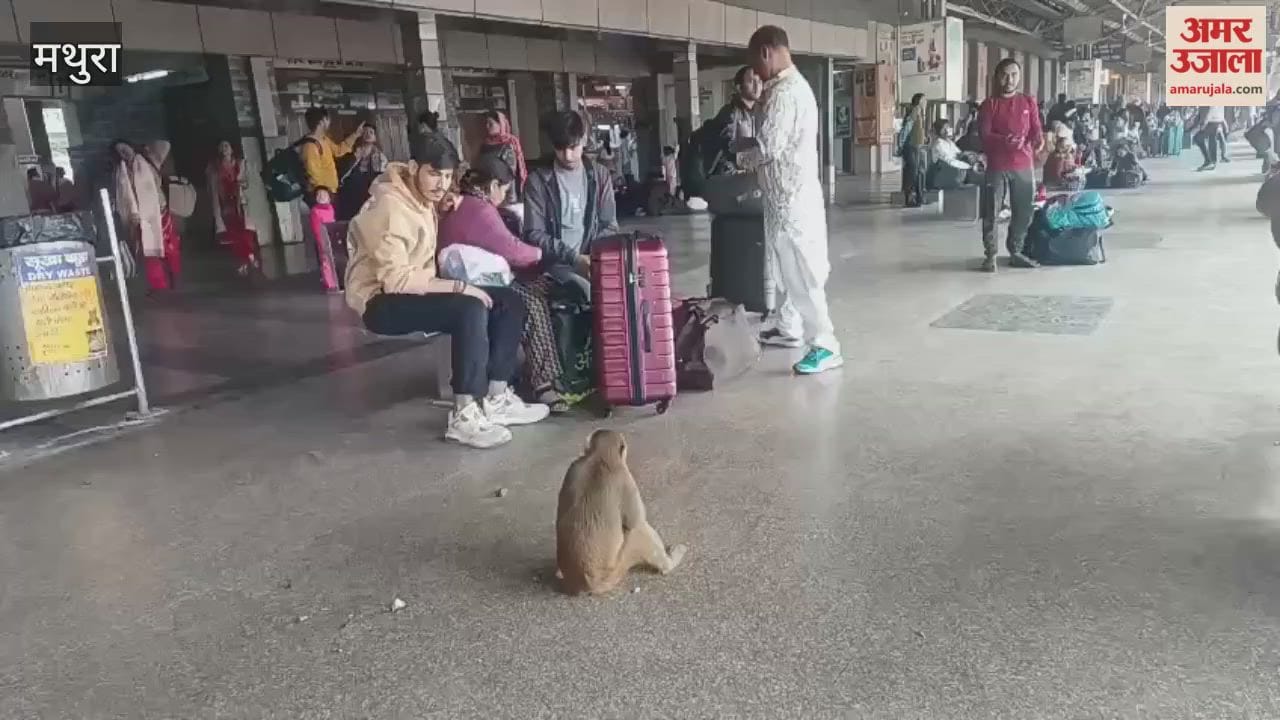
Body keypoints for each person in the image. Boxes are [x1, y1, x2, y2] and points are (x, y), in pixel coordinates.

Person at [345, 136, 549, 449]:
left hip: (416, 287)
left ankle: (496, 398)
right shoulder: (388, 208)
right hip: (380, 300)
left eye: (448, 176)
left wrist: (446, 199)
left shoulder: (422, 193)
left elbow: (430, 205)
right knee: (468, 308)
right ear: (414, 168)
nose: (442, 184)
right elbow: (397, 281)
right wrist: (460, 286)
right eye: (434, 174)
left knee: (507, 300)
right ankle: (464, 414)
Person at [735, 25, 842, 375]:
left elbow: (767, 147)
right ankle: (789, 325)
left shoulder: (785, 93)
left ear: (766, 52)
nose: (755, 71)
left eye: (754, 63)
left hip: (792, 202)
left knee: (801, 273)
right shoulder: (786, 87)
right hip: (786, 198)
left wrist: (738, 156)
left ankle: (825, 344)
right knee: (786, 266)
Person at [438, 156, 575, 413]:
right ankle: (543, 382)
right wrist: (546, 254)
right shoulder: (479, 209)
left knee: (543, 288)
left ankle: (543, 368)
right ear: (492, 186)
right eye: (504, 189)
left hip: (471, 278)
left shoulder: (465, 203)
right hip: (474, 283)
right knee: (531, 301)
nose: (505, 195)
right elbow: (513, 251)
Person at [523, 110, 619, 302]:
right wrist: (574, 258)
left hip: (593, 261)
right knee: (587, 295)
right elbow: (534, 233)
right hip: (554, 267)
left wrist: (592, 259)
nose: (567, 155)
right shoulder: (538, 181)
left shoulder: (599, 176)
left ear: (584, 139)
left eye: (573, 147)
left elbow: (609, 225)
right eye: (560, 148)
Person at [977, 58, 1042, 273]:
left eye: (1014, 74)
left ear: (1019, 77)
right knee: (991, 211)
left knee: (1023, 210)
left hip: (1024, 164)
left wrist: (1038, 140)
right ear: (997, 77)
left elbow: (1035, 130)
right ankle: (990, 254)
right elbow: (985, 135)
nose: (1009, 79)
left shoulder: (1027, 102)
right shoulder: (989, 104)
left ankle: (1016, 251)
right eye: (1005, 74)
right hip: (997, 165)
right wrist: (1005, 141)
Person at [300, 107, 365, 291]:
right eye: (327, 120)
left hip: (330, 196)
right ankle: (329, 279)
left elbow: (339, 150)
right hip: (322, 198)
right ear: (322, 121)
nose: (329, 123)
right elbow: (313, 172)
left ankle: (333, 276)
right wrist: (323, 191)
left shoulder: (324, 141)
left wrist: (355, 135)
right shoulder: (311, 146)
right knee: (324, 240)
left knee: (330, 238)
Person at [113, 140, 182, 292]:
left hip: (160, 212)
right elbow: (124, 197)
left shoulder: (150, 161)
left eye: (125, 148)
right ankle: (159, 285)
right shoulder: (122, 171)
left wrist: (146, 148)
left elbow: (166, 145)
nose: (124, 152)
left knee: (169, 247)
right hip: (141, 219)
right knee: (150, 252)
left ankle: (173, 275)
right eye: (120, 151)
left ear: (132, 147)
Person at [207, 140, 259, 276]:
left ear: (231, 149)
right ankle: (244, 259)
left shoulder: (240, 164)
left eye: (227, 146)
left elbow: (249, 181)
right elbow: (213, 188)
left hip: (241, 202)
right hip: (226, 204)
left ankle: (249, 255)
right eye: (222, 146)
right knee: (234, 234)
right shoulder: (215, 168)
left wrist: (242, 184)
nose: (224, 148)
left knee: (245, 231)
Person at [336, 124, 389, 221]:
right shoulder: (351, 154)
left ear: (375, 138)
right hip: (352, 195)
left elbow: (382, 177)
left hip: (369, 193)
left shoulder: (381, 157)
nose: (368, 134)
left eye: (371, 132)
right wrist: (355, 157)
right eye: (365, 132)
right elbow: (342, 175)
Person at [478, 109, 527, 206]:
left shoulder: (508, 144)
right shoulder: (485, 144)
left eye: (491, 124)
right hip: (486, 190)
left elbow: (510, 174)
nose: (487, 127)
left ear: (501, 125)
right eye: (486, 123)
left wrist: (510, 198)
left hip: (504, 194)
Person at [928, 118, 981, 190]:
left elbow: (959, 153)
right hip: (945, 174)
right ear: (938, 130)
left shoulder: (948, 141)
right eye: (944, 129)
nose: (947, 131)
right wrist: (967, 166)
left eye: (948, 128)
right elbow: (949, 161)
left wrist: (970, 155)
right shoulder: (938, 144)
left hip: (956, 172)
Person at [897, 93, 928, 207]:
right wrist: (901, 144)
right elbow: (906, 128)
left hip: (917, 146)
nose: (926, 102)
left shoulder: (919, 112)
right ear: (919, 101)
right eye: (925, 100)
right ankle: (910, 198)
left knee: (918, 171)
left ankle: (919, 197)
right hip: (911, 146)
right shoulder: (915, 110)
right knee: (912, 172)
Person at [1195, 105, 1227, 171]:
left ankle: (1208, 160)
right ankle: (1212, 162)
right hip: (1218, 121)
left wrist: (1205, 123)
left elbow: (1212, 109)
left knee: (1198, 138)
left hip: (1211, 121)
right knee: (1212, 139)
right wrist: (1223, 122)